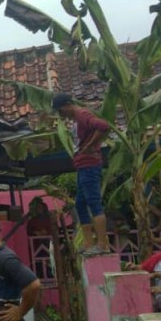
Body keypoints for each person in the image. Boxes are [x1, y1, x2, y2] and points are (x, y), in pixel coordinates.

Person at [53, 93, 111, 256]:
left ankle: (102, 244)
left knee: (93, 202)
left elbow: (103, 126)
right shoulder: (77, 118)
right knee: (80, 204)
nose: (60, 114)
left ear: (67, 105)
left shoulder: (82, 114)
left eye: (60, 110)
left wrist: (90, 146)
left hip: (90, 164)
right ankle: (88, 243)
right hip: (83, 166)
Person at [125, 238, 161, 311]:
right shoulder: (158, 257)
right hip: (159, 299)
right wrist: (134, 267)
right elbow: (143, 267)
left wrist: (158, 276)